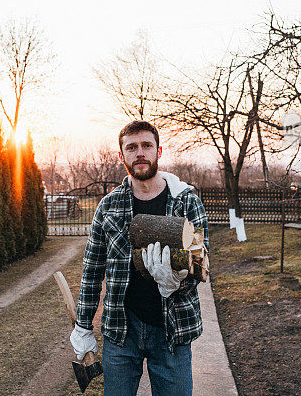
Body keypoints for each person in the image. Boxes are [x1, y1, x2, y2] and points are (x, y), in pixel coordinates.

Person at [70, 120, 209, 396]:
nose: (140, 153)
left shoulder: (186, 202)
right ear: (122, 156)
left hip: (173, 329)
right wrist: (83, 325)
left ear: (159, 151)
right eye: (131, 147)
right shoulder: (108, 206)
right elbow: (92, 269)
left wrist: (177, 283)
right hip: (122, 330)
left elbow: (203, 262)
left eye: (147, 145)